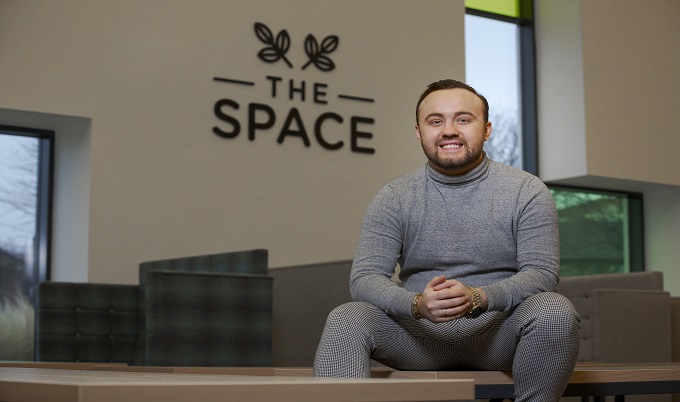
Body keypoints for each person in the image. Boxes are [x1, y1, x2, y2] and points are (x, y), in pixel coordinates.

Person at [313, 79, 581, 402]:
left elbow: (542, 276)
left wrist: (479, 297)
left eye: (463, 119)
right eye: (436, 121)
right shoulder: (394, 197)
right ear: (418, 132)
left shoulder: (527, 191)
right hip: (418, 337)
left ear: (487, 129)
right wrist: (415, 304)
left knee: (555, 311)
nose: (449, 130)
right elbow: (364, 279)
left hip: (497, 336)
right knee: (346, 318)